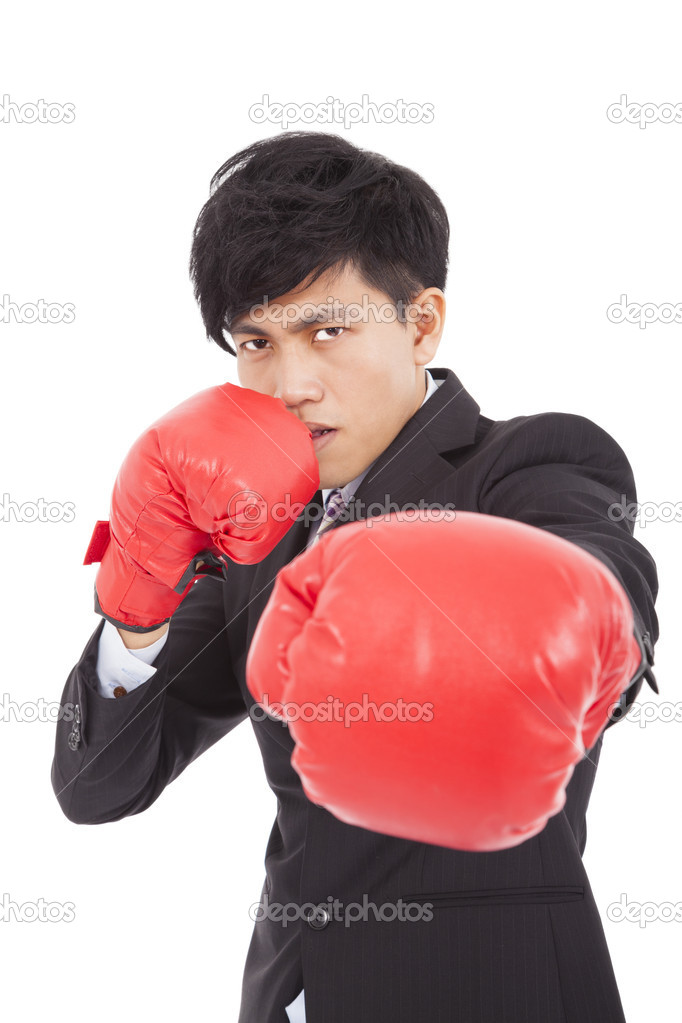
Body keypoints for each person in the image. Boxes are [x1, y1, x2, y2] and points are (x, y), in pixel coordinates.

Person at [51, 131, 658, 1023]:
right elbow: (98, 785)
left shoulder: (529, 462)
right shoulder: (259, 529)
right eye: (254, 341)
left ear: (421, 324)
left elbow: (604, 622)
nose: (290, 382)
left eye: (326, 330)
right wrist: (137, 597)